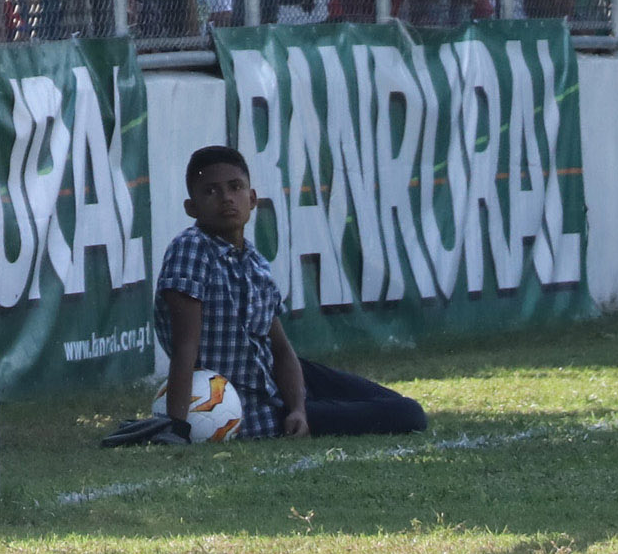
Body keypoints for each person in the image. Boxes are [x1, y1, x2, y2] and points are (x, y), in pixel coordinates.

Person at [147, 145, 427, 440]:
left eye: (235, 187)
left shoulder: (254, 262)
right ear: (192, 207)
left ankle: (309, 406)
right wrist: (175, 428)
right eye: (211, 192)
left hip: (280, 379)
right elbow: (185, 348)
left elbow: (280, 350)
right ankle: (312, 410)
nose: (227, 198)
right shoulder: (191, 248)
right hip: (253, 404)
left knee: (395, 404)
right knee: (409, 416)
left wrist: (299, 409)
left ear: (252, 198)